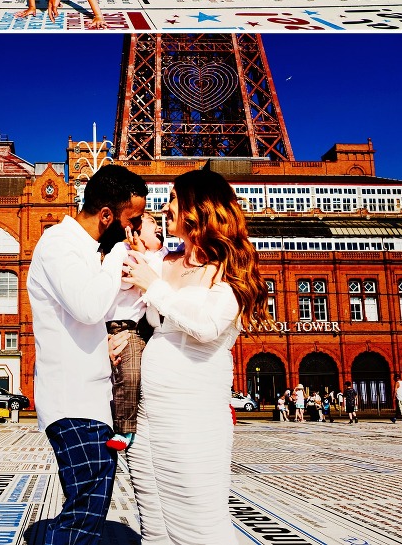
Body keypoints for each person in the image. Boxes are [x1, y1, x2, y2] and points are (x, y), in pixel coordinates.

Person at [122, 169, 268, 545]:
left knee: (200, 521)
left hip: (196, 413)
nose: (165, 207)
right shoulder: (165, 261)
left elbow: (206, 326)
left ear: (197, 208)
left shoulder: (230, 268)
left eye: (172, 198)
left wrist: (154, 288)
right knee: (153, 524)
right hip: (150, 412)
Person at [27, 164, 148, 545]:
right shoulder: (59, 244)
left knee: (88, 511)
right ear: (108, 216)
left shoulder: (81, 250)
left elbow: (85, 319)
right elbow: (88, 307)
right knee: (83, 516)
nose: (132, 230)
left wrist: (102, 348)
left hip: (90, 400)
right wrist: (118, 254)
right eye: (132, 221)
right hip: (72, 403)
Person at [104, 210, 167, 451]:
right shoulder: (124, 252)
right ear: (134, 234)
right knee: (122, 378)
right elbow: (123, 279)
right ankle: (119, 426)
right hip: (116, 328)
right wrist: (132, 252)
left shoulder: (158, 257)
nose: (159, 229)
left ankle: (131, 428)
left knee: (136, 379)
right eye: (153, 227)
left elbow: (156, 278)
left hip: (139, 330)